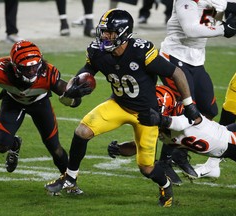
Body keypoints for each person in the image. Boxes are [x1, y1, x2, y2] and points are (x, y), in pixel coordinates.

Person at [44, 8, 201, 208]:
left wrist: (189, 104)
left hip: (147, 114)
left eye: (110, 33)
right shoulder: (98, 51)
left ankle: (165, 183)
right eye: (103, 32)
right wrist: (76, 83)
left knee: (147, 168)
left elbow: (176, 73)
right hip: (118, 104)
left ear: (124, 33)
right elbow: (87, 70)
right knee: (82, 131)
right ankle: (70, 178)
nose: (105, 36)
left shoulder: (141, 51)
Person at [0, 40, 91, 194]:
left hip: (39, 104)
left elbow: (72, 100)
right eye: (27, 68)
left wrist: (73, 98)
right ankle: (14, 145)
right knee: (1, 146)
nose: (32, 71)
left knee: (55, 148)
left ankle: (70, 183)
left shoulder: (48, 74)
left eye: (34, 66)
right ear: (14, 66)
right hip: (12, 102)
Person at [156, 0, 236, 183]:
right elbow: (191, 29)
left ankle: (178, 154)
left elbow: (210, 20)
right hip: (174, 58)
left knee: (208, 111)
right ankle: (164, 162)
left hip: (196, 60)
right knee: (185, 111)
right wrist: (224, 29)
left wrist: (228, 25)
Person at [110, 85, 236, 171]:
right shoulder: (160, 125)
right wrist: (120, 149)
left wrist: (161, 119)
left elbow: (182, 123)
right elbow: (141, 146)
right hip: (230, 152)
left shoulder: (186, 113)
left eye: (152, 108)